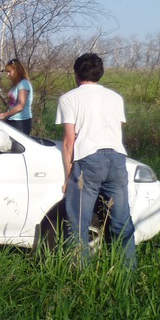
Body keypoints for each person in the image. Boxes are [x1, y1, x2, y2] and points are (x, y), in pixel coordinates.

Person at [55, 53, 136, 268]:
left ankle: (80, 274)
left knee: (78, 222)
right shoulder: (115, 98)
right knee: (121, 221)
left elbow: (69, 142)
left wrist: (68, 176)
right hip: (117, 159)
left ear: (76, 73)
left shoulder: (69, 98)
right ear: (100, 73)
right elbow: (116, 132)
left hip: (88, 159)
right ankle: (127, 274)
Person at [0, 58, 33, 134]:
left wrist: (5, 115)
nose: (8, 74)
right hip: (12, 120)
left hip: (20, 122)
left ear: (17, 71)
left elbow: (20, 106)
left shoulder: (23, 84)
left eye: (9, 71)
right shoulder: (16, 85)